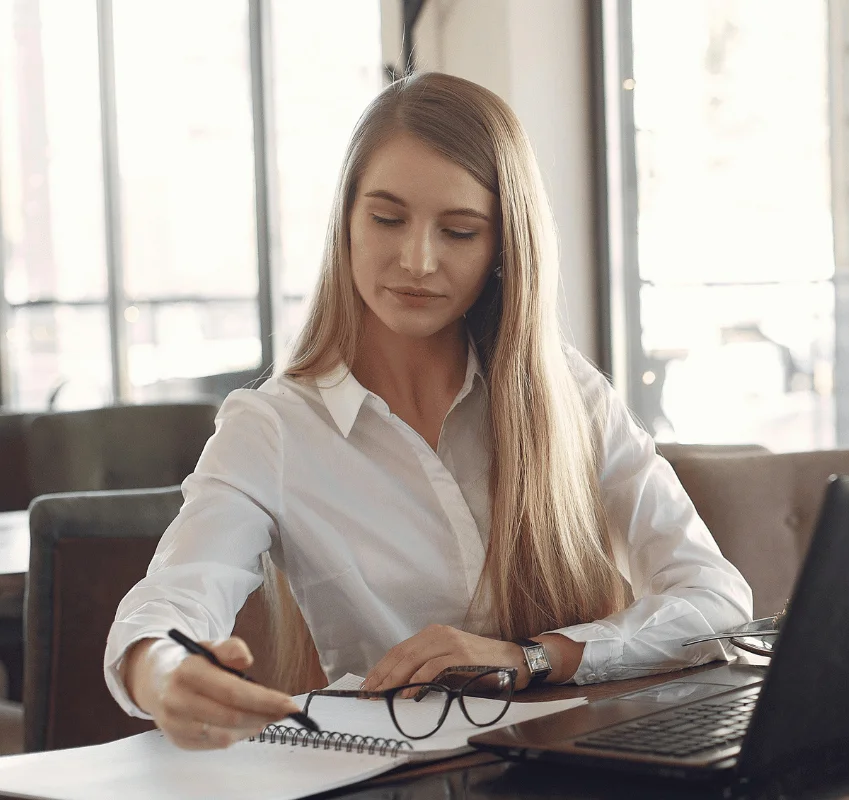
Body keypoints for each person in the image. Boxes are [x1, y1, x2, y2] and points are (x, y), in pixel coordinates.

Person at [104, 72, 752, 750]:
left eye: (459, 231)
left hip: (588, 767)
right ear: (346, 222)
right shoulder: (272, 428)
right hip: (408, 777)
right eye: (387, 219)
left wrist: (532, 657)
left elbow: (716, 603)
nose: (417, 260)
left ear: (503, 248)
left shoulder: (568, 394)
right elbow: (172, 601)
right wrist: (165, 671)